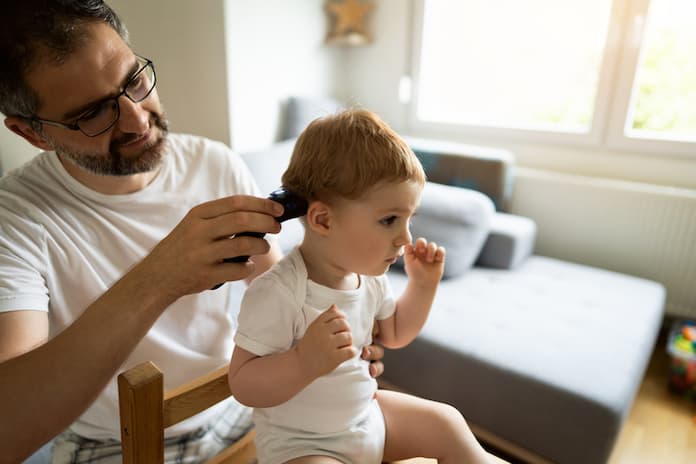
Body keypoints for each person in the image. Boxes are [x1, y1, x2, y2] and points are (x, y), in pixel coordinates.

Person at [0, 2, 385, 462]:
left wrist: (334, 343)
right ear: (32, 134)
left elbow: (286, 293)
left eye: (134, 81)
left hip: (245, 405)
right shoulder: (15, 221)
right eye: (92, 114)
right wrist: (159, 277)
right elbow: (9, 430)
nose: (137, 119)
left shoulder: (215, 162)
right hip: (115, 443)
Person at [228, 109, 506, 463]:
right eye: (390, 220)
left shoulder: (370, 278)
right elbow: (242, 383)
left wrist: (422, 287)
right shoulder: (280, 291)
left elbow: (394, 333)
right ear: (323, 219)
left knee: (445, 421)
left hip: (367, 419)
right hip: (305, 446)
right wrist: (303, 361)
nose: (405, 238)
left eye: (408, 219)